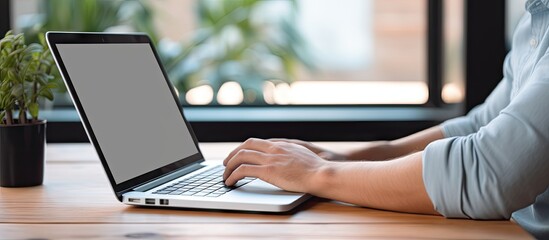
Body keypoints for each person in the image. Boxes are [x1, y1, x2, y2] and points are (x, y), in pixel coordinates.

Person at [222, 0, 549, 238]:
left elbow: (490, 173)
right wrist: (349, 157)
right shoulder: (537, 17)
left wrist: (318, 173)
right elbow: (484, 125)